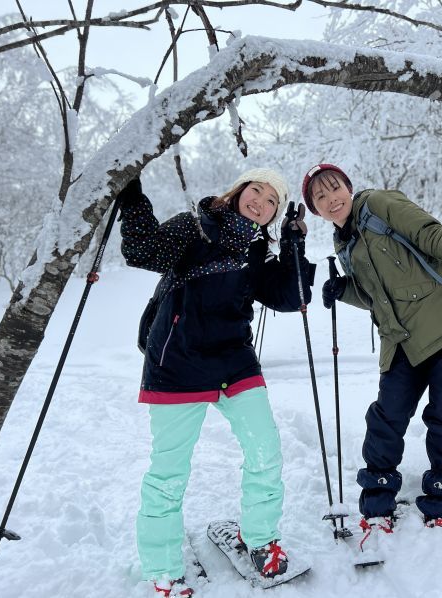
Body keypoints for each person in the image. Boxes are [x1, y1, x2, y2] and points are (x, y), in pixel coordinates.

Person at [117, 168, 314, 597]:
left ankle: (260, 541)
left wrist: (295, 244)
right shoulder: (194, 226)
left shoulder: (257, 252)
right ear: (239, 191)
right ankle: (164, 568)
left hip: (234, 362)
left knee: (266, 451)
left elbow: (292, 296)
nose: (260, 202)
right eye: (256, 191)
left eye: (271, 202)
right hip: (177, 363)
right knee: (168, 473)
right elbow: (141, 251)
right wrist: (132, 199)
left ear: (272, 216)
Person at [301, 163, 442, 550]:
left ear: (348, 186)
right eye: (320, 197)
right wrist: (343, 291)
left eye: (335, 187)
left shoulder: (379, 203)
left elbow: (428, 234)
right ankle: (377, 505)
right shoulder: (343, 242)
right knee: (386, 417)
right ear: (316, 209)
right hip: (401, 338)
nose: (331, 198)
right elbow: (378, 295)